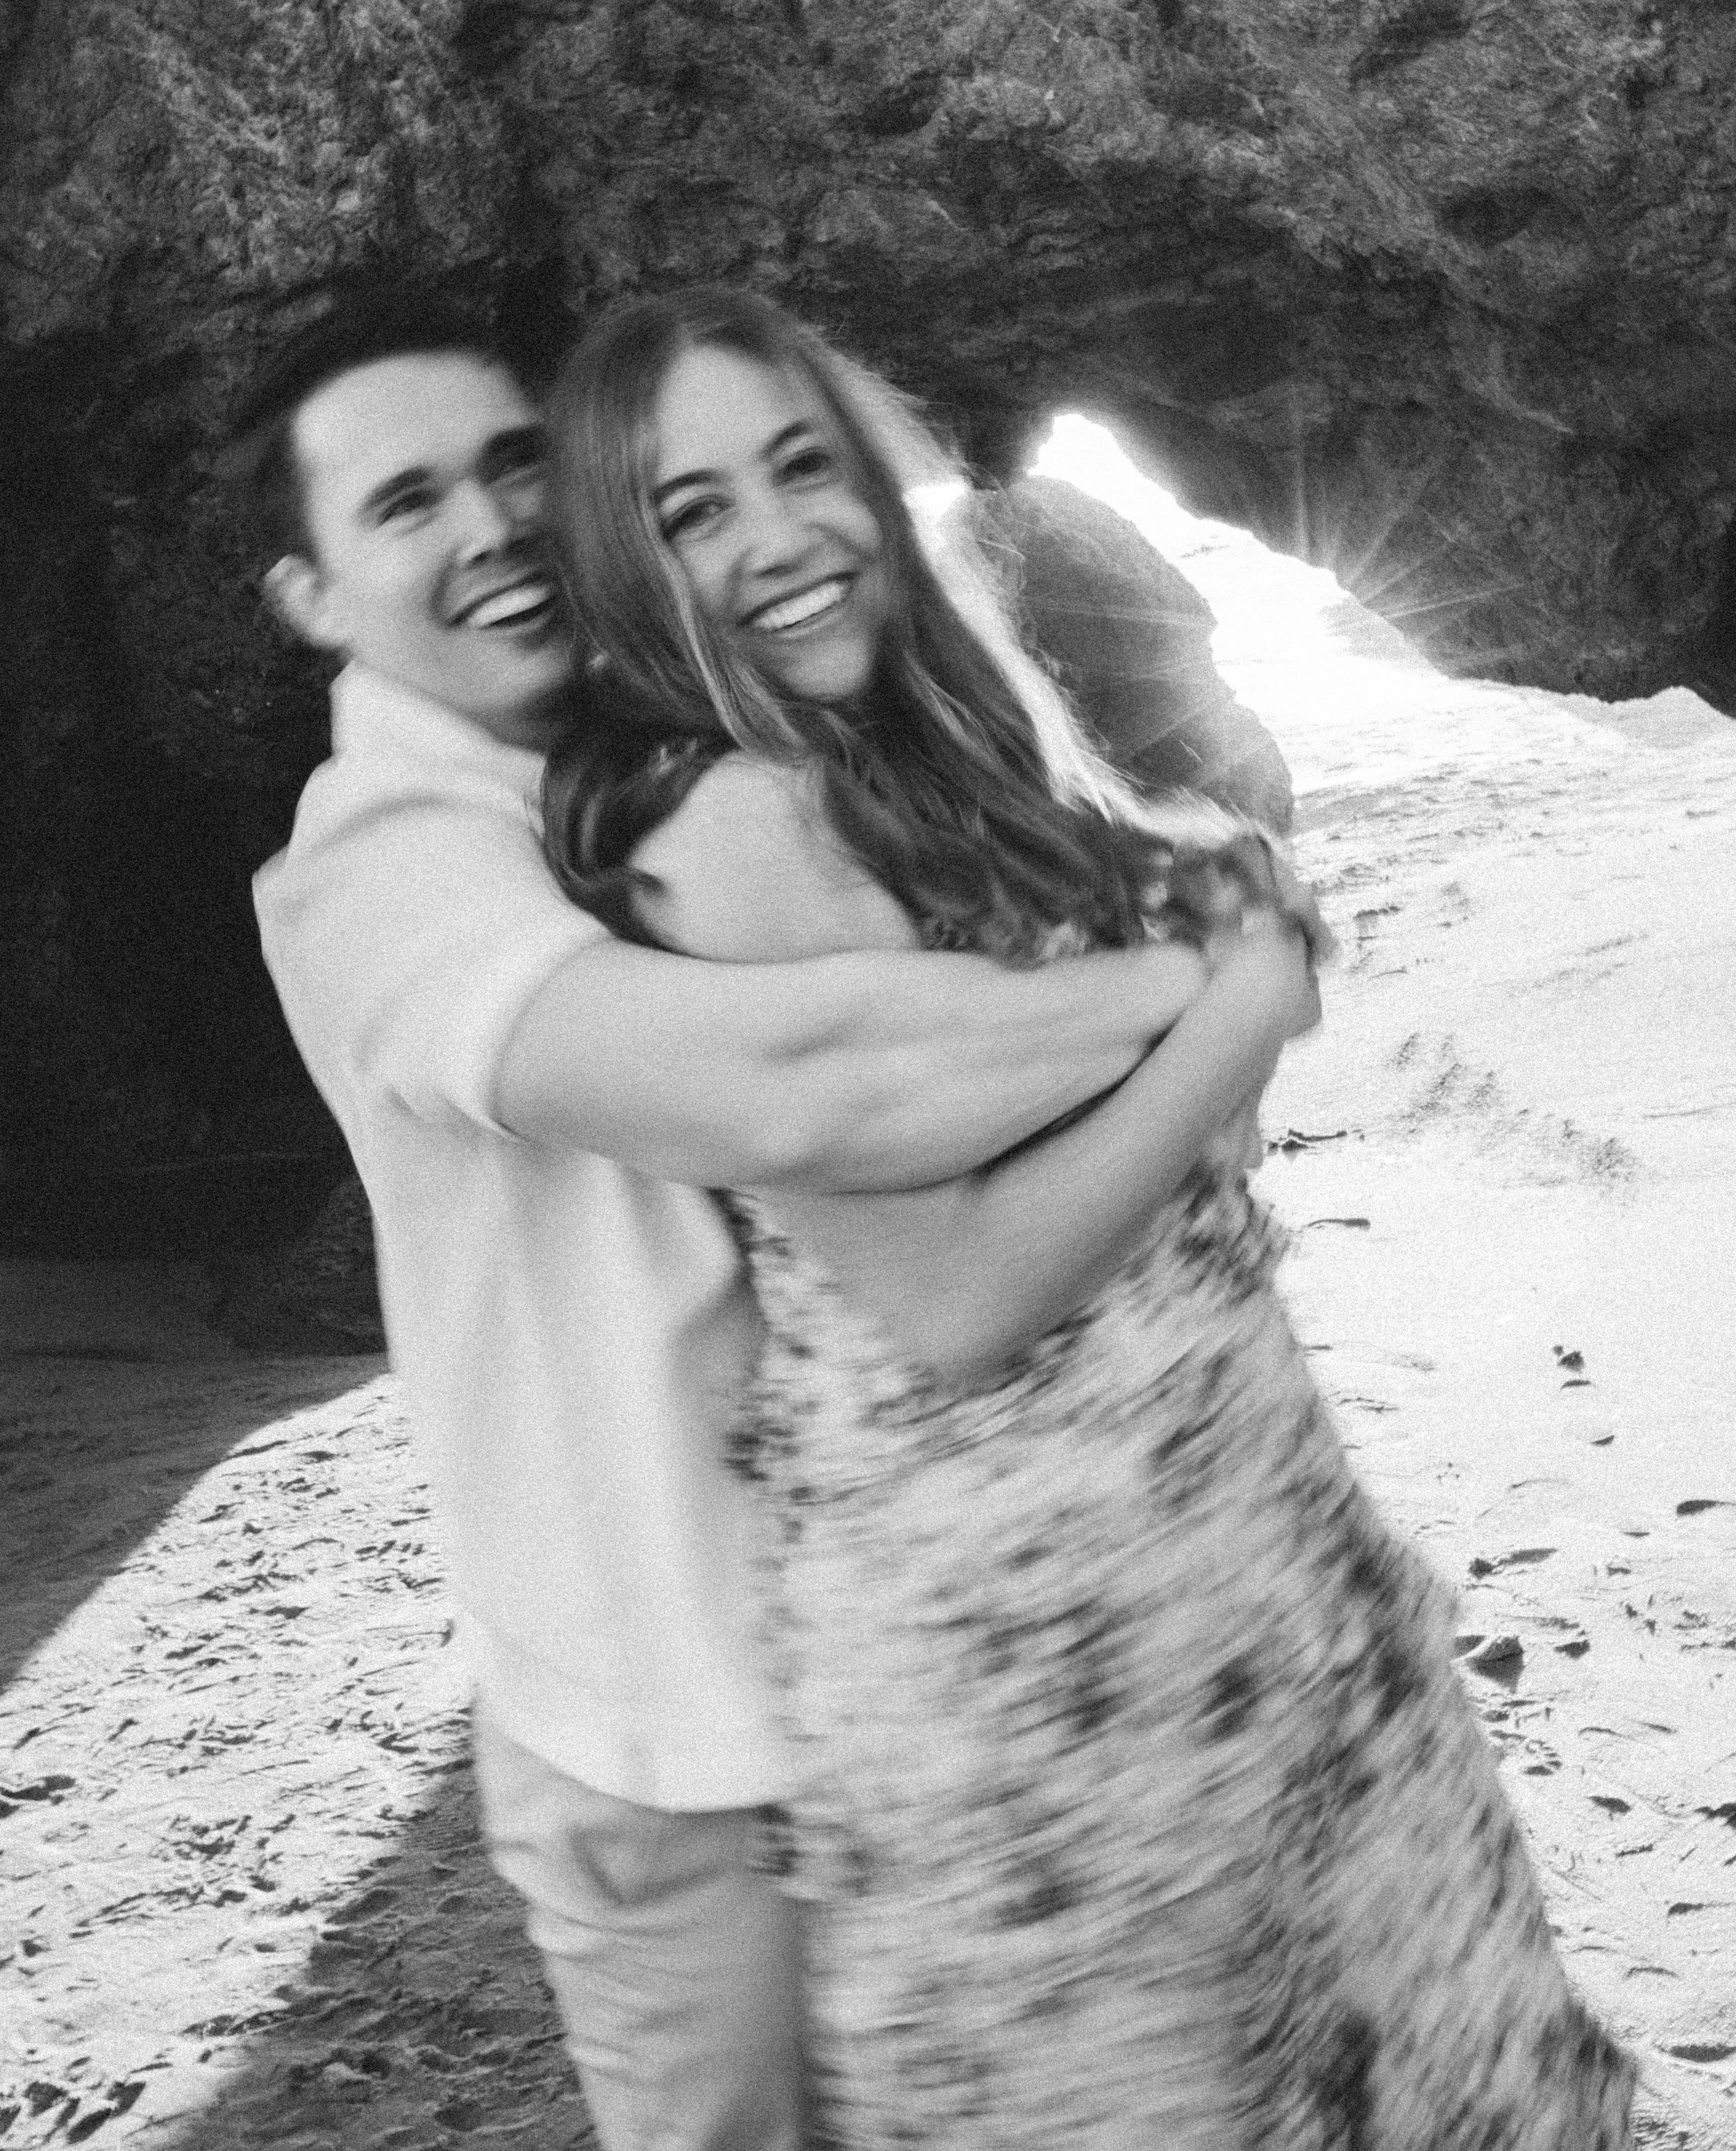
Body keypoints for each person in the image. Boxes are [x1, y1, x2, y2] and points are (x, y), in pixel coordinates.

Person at [538, 286, 1638, 2150]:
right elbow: (952, 1293)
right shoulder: (725, 825)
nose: (778, 535)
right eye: (690, 508)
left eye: (801, 464)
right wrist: (1221, 1011)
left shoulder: (929, 744)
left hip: (1241, 1573)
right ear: (617, 566)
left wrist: (1202, 956)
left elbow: (1128, 1126)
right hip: (1041, 1671)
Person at [232, 288, 1240, 2151]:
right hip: (678, 1750)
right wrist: (1192, 988)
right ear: (309, 597)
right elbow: (800, 1084)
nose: (492, 530)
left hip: (911, 1681)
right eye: (405, 505)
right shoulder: (380, 866)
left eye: (518, 466)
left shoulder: (671, 758)